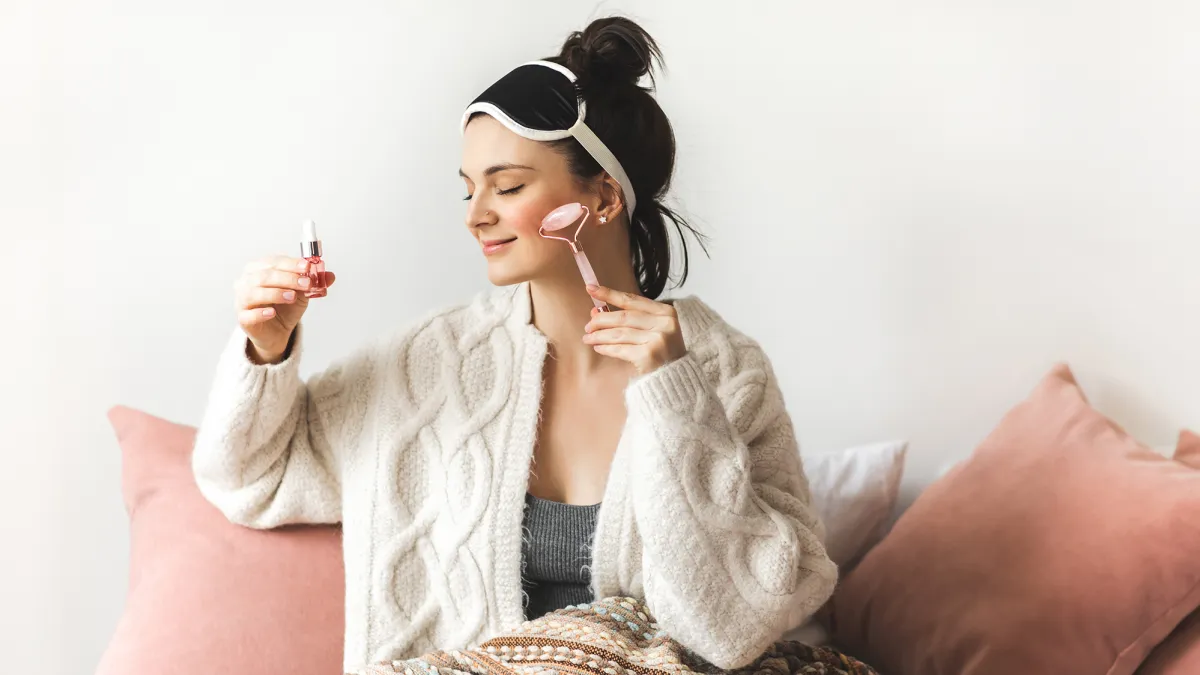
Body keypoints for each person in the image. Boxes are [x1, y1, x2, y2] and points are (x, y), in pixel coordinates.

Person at [192, 15, 837, 675]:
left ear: (604, 196)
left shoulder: (727, 372)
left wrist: (676, 398)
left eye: (507, 186)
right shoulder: (427, 363)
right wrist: (265, 350)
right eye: (469, 189)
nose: (475, 214)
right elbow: (249, 476)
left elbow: (732, 631)